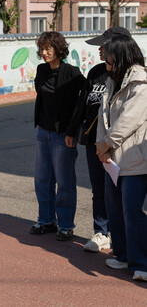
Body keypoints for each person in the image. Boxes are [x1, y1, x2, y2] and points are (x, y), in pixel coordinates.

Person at [66, 27, 132, 252]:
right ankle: (101, 232)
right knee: (99, 190)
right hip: (95, 141)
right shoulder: (95, 72)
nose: (100, 50)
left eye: (104, 46)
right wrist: (72, 131)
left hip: (120, 144)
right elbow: (82, 103)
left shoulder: (132, 76)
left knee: (122, 191)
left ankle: (122, 235)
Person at [95, 35, 147, 282]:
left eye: (110, 58)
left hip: (135, 157)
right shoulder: (112, 80)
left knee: (132, 210)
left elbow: (130, 119)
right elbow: (102, 114)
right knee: (114, 207)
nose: (106, 62)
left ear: (122, 57)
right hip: (112, 157)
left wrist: (106, 143)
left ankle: (141, 263)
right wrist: (101, 146)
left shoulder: (141, 82)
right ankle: (123, 254)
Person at [31, 31, 84, 241]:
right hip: (43, 132)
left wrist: (73, 130)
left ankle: (65, 225)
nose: (44, 53)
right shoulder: (41, 70)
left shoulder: (72, 73)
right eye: (42, 49)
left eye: (48, 48)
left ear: (58, 49)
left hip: (63, 135)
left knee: (64, 182)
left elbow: (84, 99)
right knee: (42, 179)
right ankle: (46, 220)